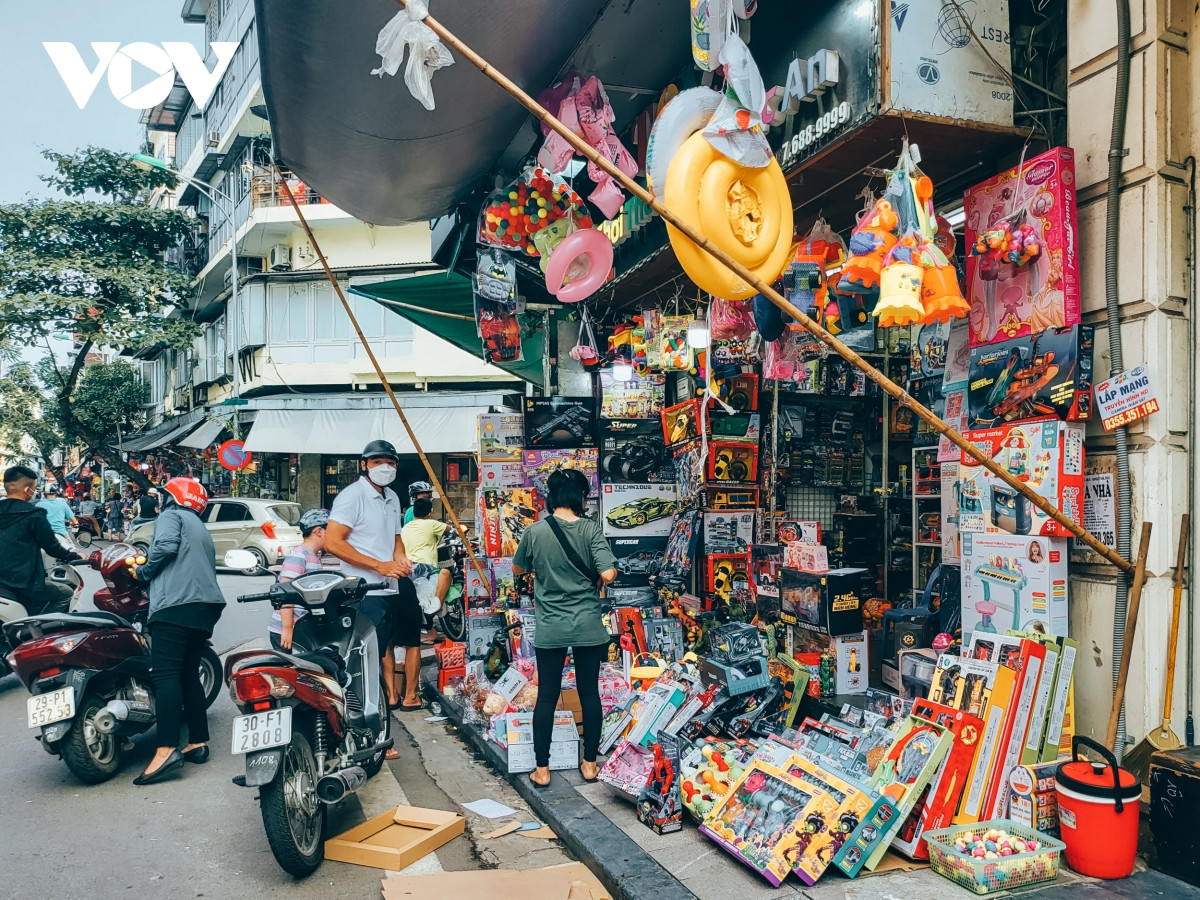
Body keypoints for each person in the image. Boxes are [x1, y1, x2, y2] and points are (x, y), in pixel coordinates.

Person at [511, 469, 617, 787]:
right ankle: (589, 764)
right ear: (581, 498)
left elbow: (517, 567)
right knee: (589, 694)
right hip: (586, 625)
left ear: (552, 497)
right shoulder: (590, 529)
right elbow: (609, 573)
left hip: (551, 627)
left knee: (546, 696)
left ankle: (542, 770)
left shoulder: (535, 532)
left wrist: (539, 570)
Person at [129, 477, 225, 785]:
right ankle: (198, 742)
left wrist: (142, 572)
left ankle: (166, 748)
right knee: (188, 675)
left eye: (164, 495)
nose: (160, 501)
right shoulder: (200, 526)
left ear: (175, 498)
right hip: (204, 608)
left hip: (176, 606)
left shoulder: (170, 516)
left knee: (165, 676)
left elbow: (166, 547)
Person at [325, 440, 422, 727]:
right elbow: (332, 541)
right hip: (365, 588)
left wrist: (401, 560)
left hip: (392, 585)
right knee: (367, 659)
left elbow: (395, 539)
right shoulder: (351, 496)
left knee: (394, 644)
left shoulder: (392, 497)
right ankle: (369, 723)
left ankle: (389, 702)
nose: (385, 468)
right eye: (378, 462)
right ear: (364, 464)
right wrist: (378, 565)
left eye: (390, 463)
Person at [0, 465, 86, 613]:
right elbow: (52, 547)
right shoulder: (34, 514)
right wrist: (75, 556)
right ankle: (40, 627)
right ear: (28, 489)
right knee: (65, 593)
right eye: (34, 487)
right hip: (24, 582)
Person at [269, 508, 329, 651]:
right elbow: (285, 592)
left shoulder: (315, 557)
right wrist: (287, 629)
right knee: (288, 670)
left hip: (301, 628)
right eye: (331, 531)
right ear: (319, 531)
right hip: (287, 630)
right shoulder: (299, 555)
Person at [400, 496, 452, 643]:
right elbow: (450, 530)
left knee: (418, 602)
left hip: (409, 569)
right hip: (427, 568)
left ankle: (431, 633)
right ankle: (437, 604)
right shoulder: (431, 524)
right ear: (429, 513)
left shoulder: (405, 528)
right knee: (446, 573)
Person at [37, 485, 78, 553]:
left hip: (44, 535)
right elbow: (73, 521)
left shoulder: (39, 505)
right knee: (74, 553)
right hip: (62, 534)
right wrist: (75, 524)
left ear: (44, 494)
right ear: (56, 493)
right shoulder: (63, 504)